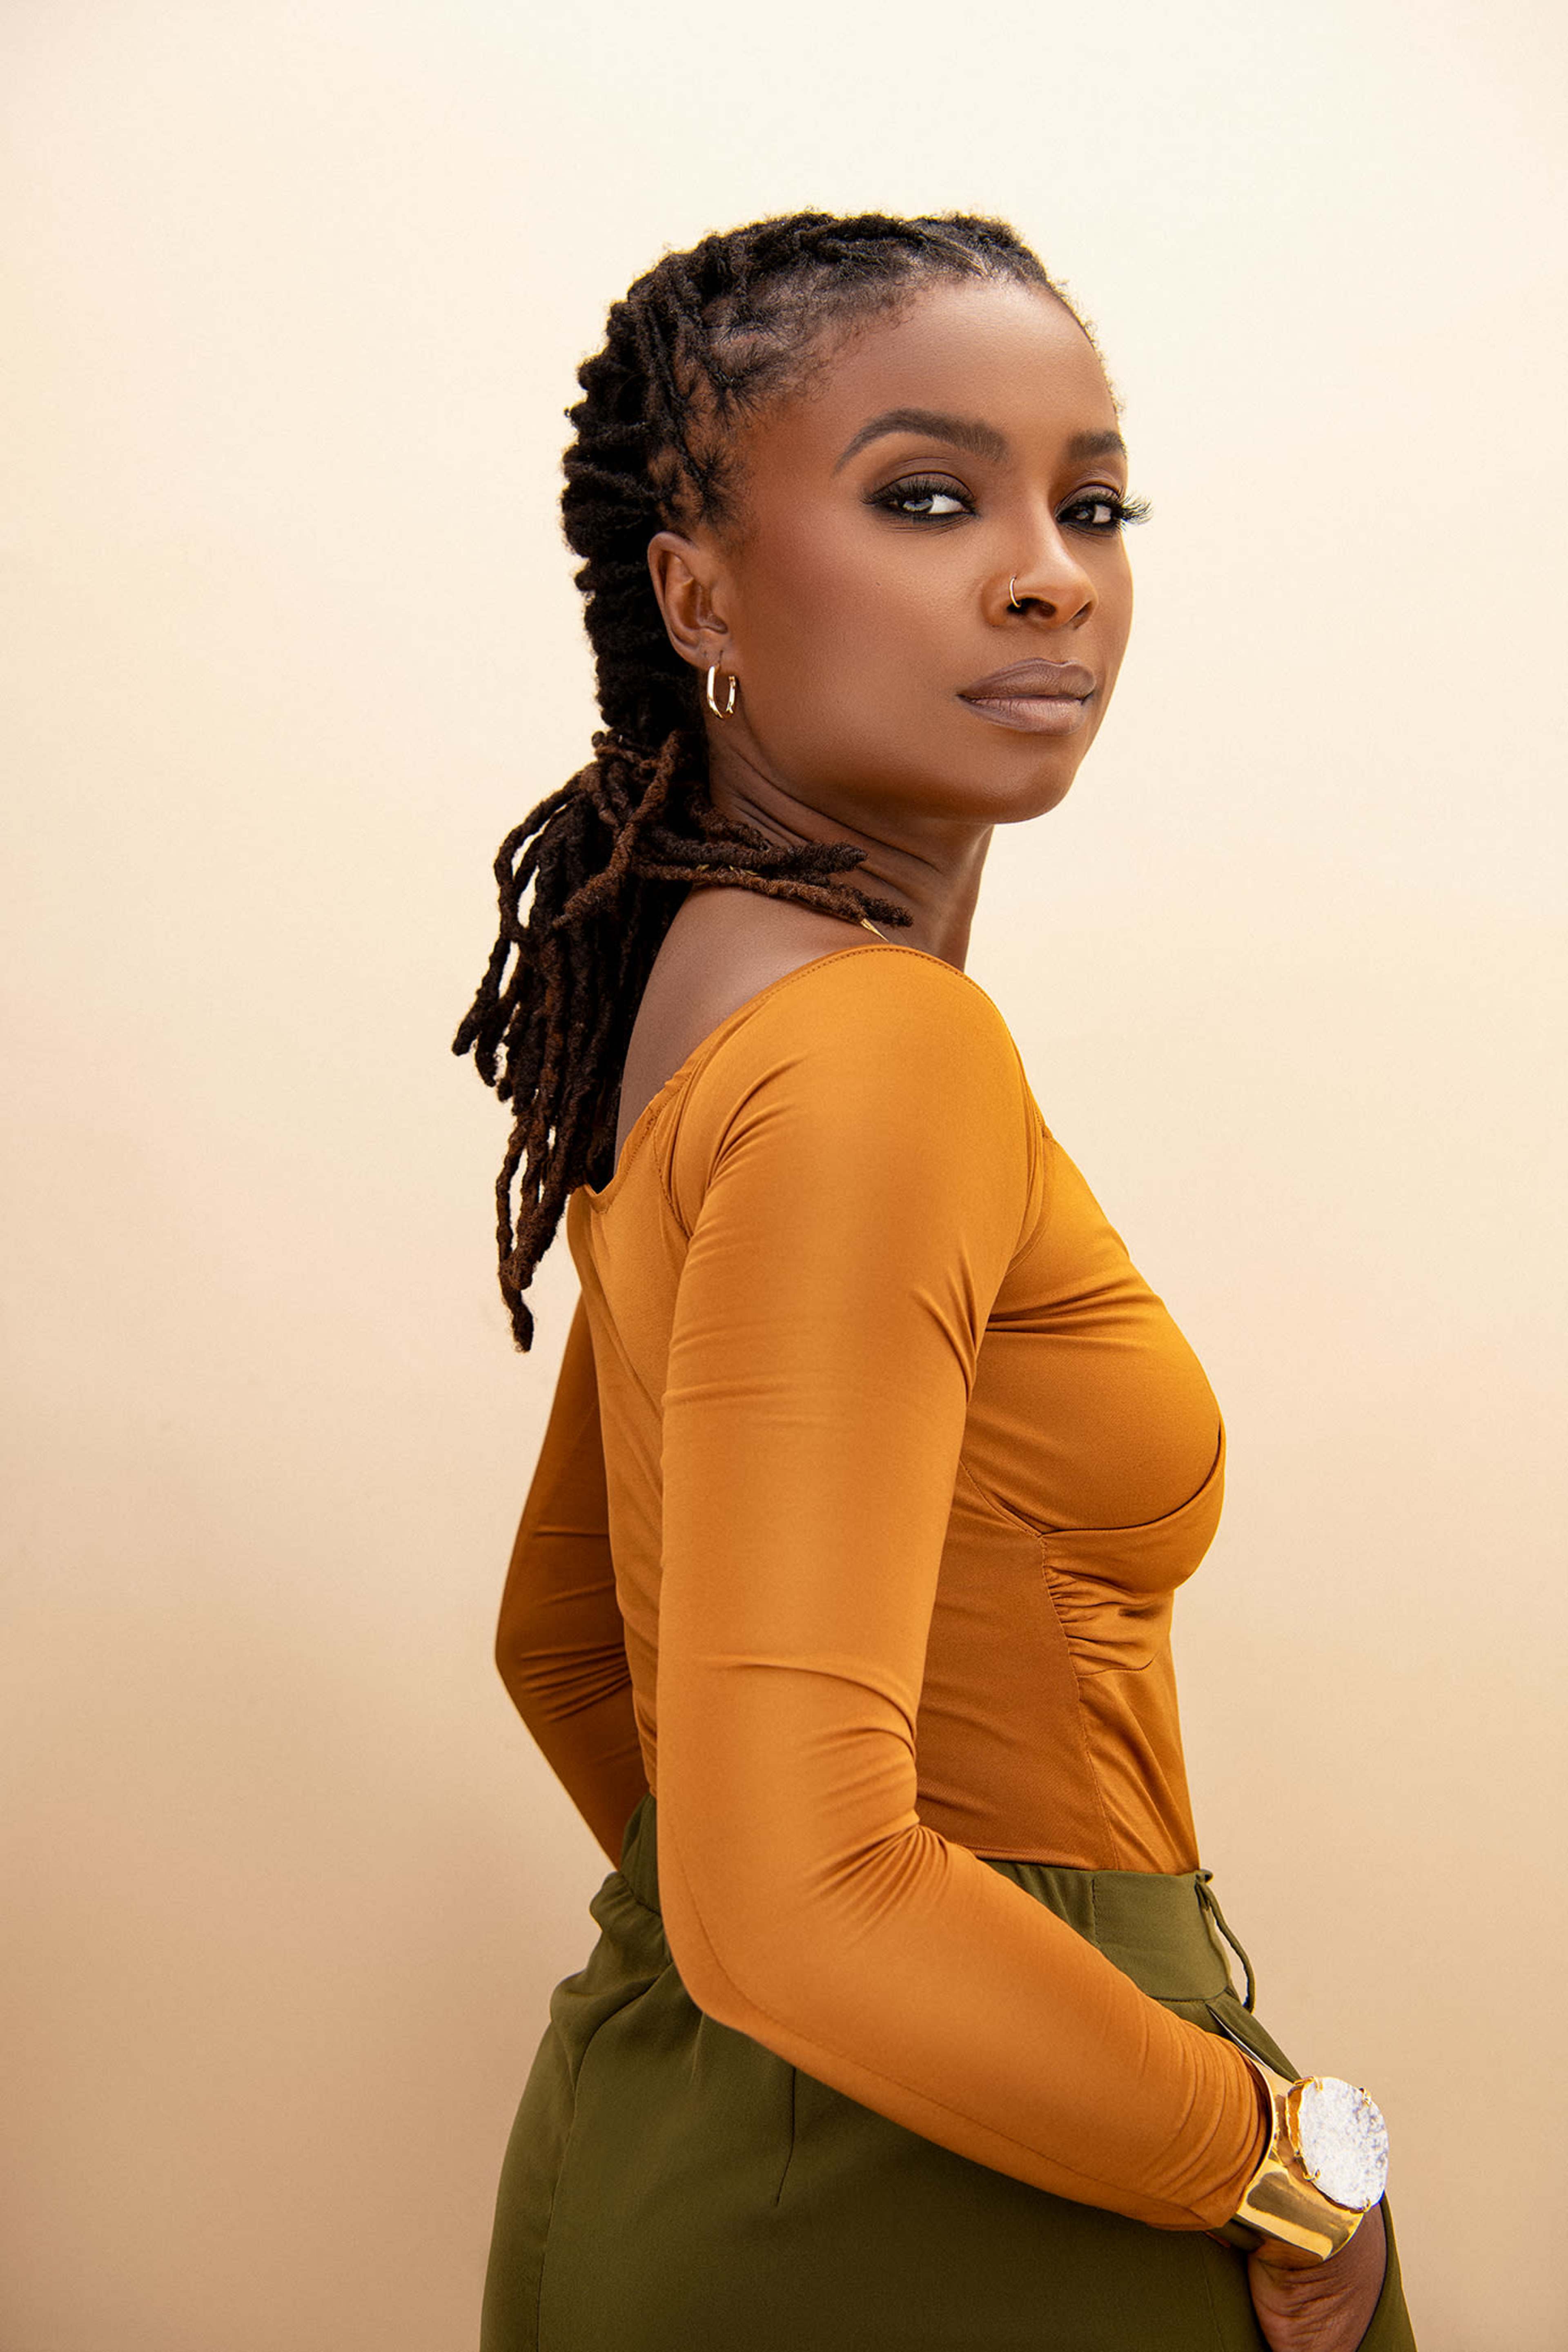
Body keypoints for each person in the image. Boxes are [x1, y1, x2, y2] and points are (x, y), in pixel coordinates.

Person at [454, 211, 1417, 2352]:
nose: (1048, 571)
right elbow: (797, 1898)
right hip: (960, 2198)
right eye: (925, 496)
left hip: (744, 2140)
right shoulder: (881, 1049)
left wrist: (777, 1999)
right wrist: (1264, 2160)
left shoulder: (697, 1008)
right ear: (692, 588)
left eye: (1091, 502)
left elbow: (564, 1647)